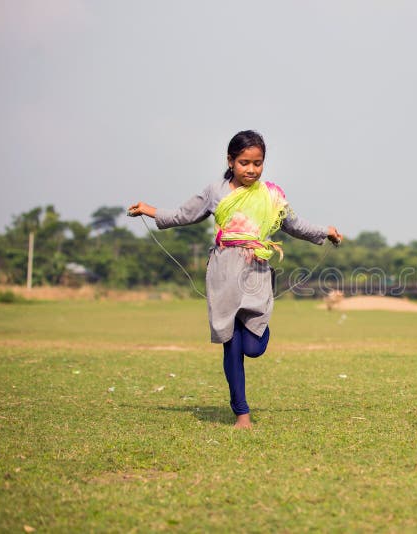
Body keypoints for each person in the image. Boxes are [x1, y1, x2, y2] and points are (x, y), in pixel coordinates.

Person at [129, 130, 343, 429]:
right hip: (223, 272)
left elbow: (294, 224)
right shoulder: (215, 191)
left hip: (257, 271)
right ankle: (241, 412)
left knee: (253, 347)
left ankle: (253, 335)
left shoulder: (271, 195)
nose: (251, 170)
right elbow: (183, 215)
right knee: (230, 344)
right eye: (244, 162)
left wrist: (326, 232)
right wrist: (149, 210)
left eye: (257, 163)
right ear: (230, 161)